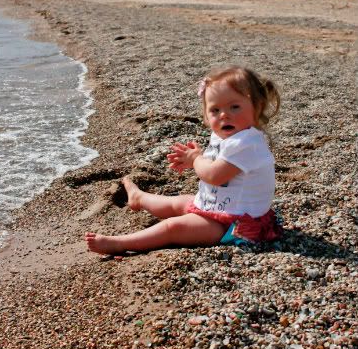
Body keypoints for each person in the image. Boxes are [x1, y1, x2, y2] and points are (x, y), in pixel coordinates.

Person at [86, 66, 283, 256]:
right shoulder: (227, 135)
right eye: (215, 110)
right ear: (206, 116)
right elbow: (218, 165)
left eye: (235, 107)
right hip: (216, 208)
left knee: (173, 227)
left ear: (257, 107)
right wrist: (199, 158)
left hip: (234, 226)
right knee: (179, 203)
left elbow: (214, 175)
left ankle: (121, 243)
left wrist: (196, 159)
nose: (224, 115)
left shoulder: (247, 143)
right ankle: (139, 198)